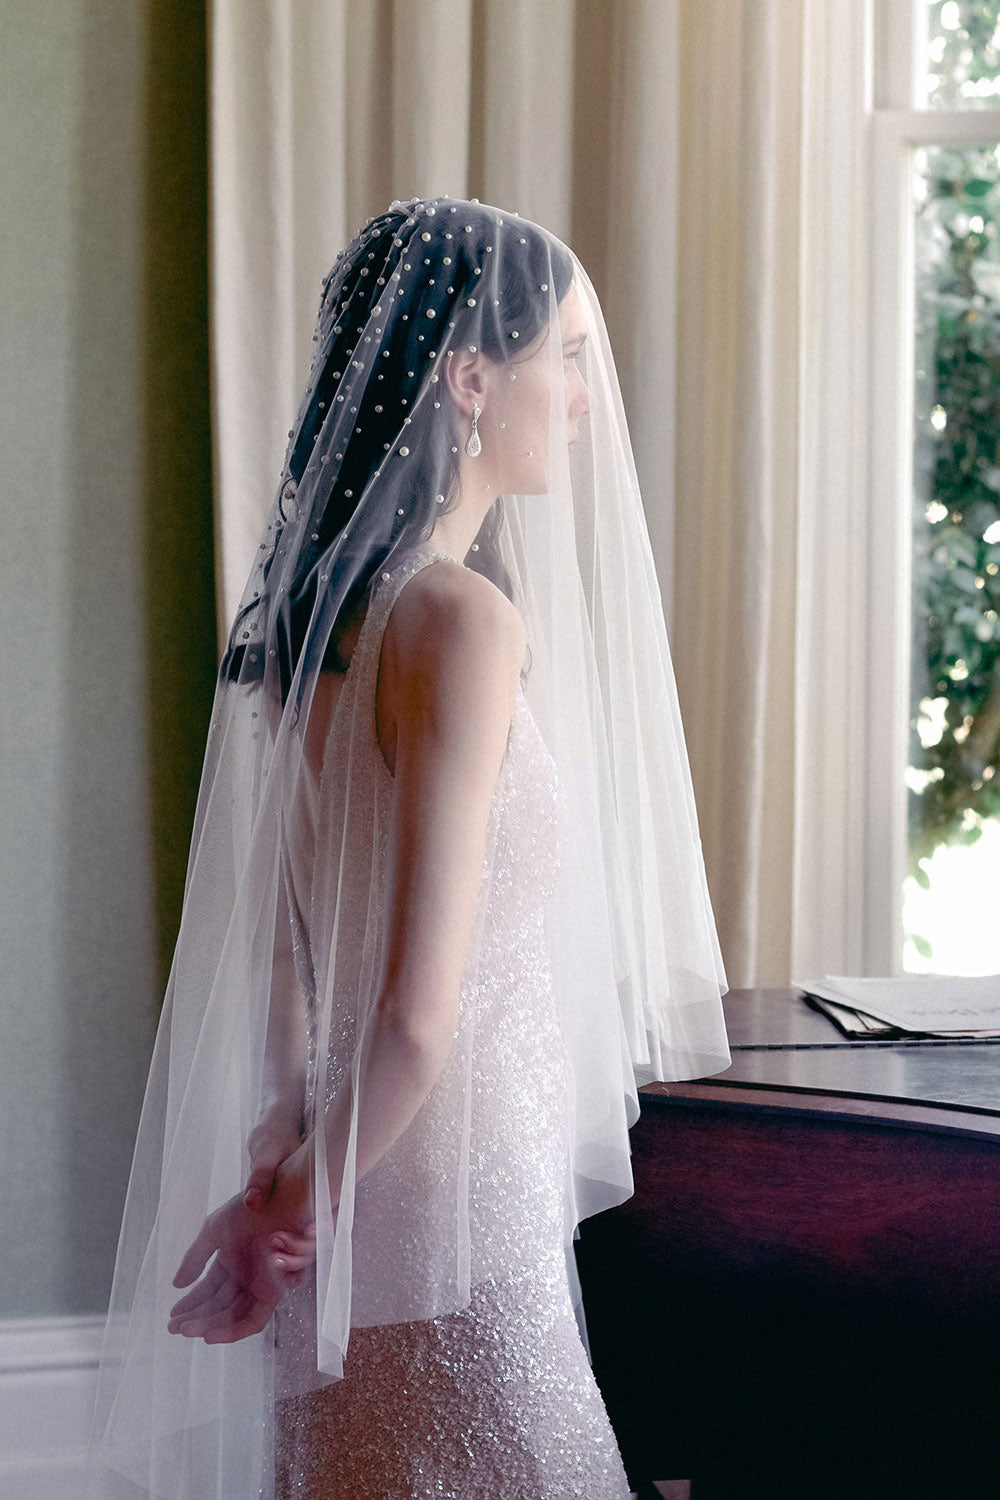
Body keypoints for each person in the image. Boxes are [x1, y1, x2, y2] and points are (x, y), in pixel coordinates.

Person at [85, 196, 731, 1499]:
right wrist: (289, 1207)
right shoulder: (459, 625)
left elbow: (289, 956)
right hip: (452, 1207)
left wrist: (287, 1175)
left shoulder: (304, 621)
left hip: (347, 1175)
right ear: (472, 376)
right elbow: (419, 1019)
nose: (583, 399)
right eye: (568, 357)